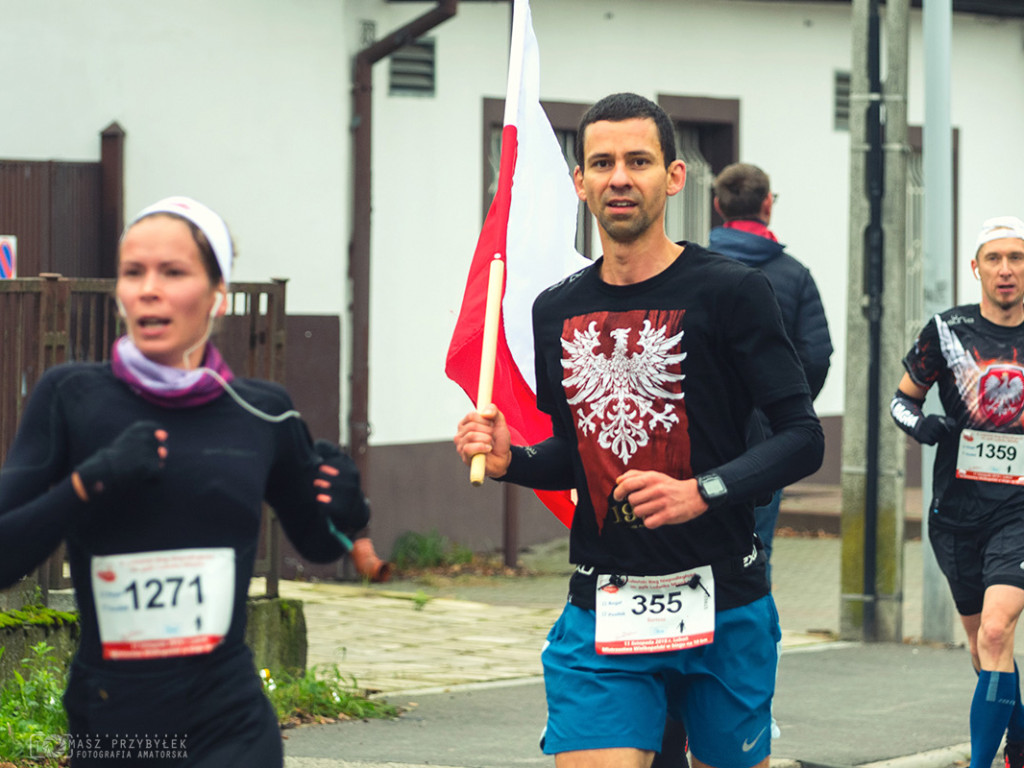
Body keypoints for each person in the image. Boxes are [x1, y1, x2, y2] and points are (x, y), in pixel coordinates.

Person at [454, 93, 823, 768]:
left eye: (638, 161)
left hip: (724, 599)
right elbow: (578, 452)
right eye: (602, 162)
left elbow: (802, 437)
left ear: (673, 177)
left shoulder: (732, 291)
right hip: (605, 602)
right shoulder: (555, 309)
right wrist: (515, 459)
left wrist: (701, 491)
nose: (619, 176)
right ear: (581, 183)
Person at [0, 196, 370, 767]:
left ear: (218, 294)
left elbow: (321, 544)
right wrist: (87, 484)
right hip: (116, 728)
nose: (150, 288)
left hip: (231, 726)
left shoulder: (262, 411)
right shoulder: (71, 397)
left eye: (173, 273)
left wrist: (350, 508)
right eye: (133, 272)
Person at [891, 216, 1024, 768]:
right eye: (994, 258)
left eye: (1016, 257)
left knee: (996, 631)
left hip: (1018, 511)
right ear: (976, 268)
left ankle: (979, 763)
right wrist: (923, 427)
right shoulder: (947, 330)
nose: (1007, 269)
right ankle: (1018, 742)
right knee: (982, 647)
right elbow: (903, 400)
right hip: (956, 510)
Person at [708, 162, 833, 584]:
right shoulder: (794, 275)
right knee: (755, 548)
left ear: (717, 205)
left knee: (688, 542)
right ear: (767, 204)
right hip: (765, 441)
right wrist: (782, 410)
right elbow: (816, 356)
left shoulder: (692, 265)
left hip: (695, 433)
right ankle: (751, 642)